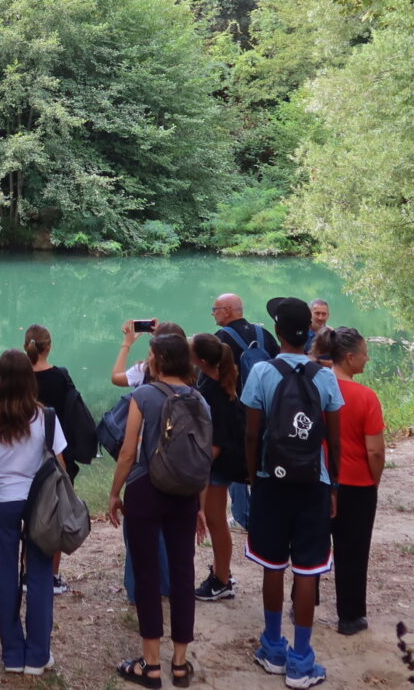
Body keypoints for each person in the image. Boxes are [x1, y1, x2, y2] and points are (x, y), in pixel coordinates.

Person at [244, 297, 342, 690]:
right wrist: (332, 484)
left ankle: (272, 647)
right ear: (309, 333)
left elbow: (252, 433)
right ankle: (301, 661)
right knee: (307, 570)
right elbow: (332, 439)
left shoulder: (263, 372)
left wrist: (254, 479)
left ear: (279, 332)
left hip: (272, 480)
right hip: (313, 483)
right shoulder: (326, 376)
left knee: (273, 564)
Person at [109, 333, 210, 689]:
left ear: (160, 359)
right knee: (183, 574)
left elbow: (127, 452)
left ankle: (151, 666)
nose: (148, 360)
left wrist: (114, 492)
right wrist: (199, 507)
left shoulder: (144, 395)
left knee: (148, 576)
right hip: (184, 494)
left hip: (146, 491)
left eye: (151, 355)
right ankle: (180, 665)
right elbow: (201, 457)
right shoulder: (199, 398)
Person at [0, 348, 65, 675]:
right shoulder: (46, 417)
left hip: (3, 503)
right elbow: (61, 465)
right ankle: (38, 656)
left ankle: (13, 654)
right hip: (39, 502)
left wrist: (0, 486)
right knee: (40, 574)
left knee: (5, 575)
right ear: (30, 380)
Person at [321, 327, 384, 635]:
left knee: (311, 545)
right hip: (356, 484)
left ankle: (301, 602)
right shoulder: (366, 397)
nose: (367, 358)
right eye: (363, 353)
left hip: (317, 481)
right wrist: (375, 481)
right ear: (349, 357)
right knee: (353, 550)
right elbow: (374, 450)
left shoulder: (315, 388)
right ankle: (350, 616)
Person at [211, 293, 279, 531]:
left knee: (236, 465)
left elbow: (214, 380)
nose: (213, 313)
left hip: (237, 413)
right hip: (268, 413)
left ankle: (243, 516)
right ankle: (266, 512)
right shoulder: (264, 334)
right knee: (262, 463)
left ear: (228, 310)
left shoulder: (221, 339)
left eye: (215, 309)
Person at [26, 323, 78, 594]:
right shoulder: (61, 377)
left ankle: (26, 574)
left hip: (25, 456)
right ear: (50, 346)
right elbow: (72, 414)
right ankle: (52, 576)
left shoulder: (20, 377)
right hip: (56, 452)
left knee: (29, 516)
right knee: (55, 513)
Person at [191, 332, 243, 602]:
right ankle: (223, 572)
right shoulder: (215, 382)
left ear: (199, 360)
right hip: (219, 463)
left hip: (217, 465)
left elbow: (217, 441)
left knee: (216, 522)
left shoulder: (211, 392)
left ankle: (222, 581)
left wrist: (198, 465)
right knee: (217, 521)